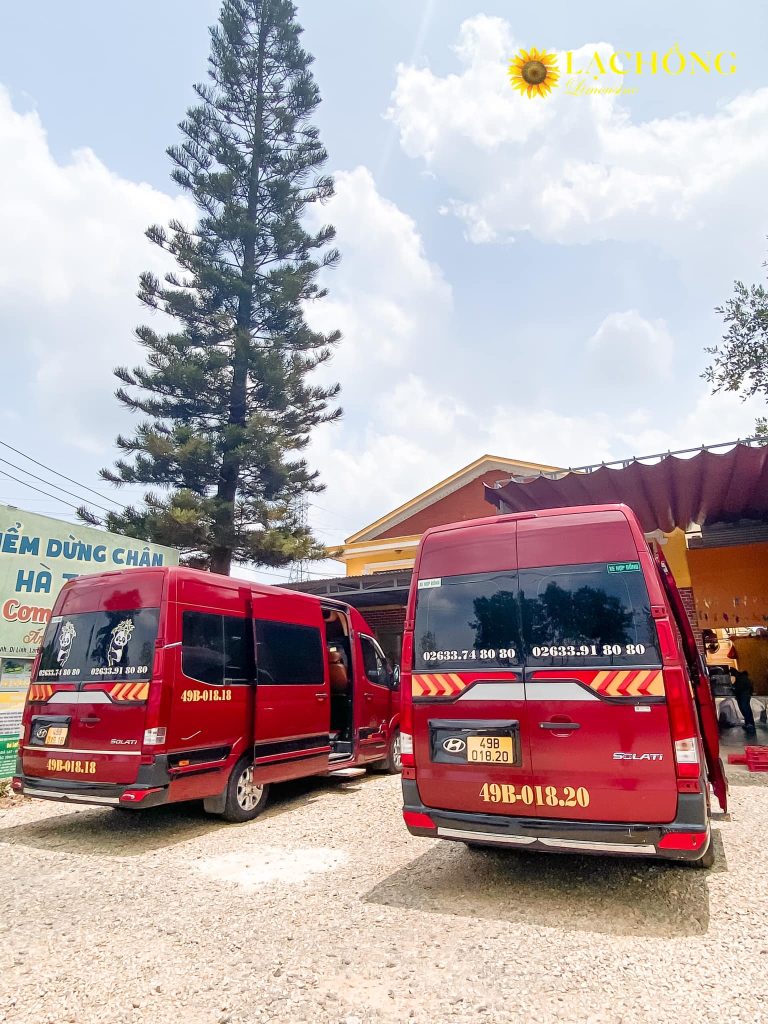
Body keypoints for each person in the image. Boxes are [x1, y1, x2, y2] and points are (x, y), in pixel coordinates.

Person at [730, 666, 756, 734]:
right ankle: (749, 724)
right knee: (746, 709)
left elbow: (739, 687)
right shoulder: (743, 677)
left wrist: (734, 689)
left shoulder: (740, 678)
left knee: (745, 709)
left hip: (743, 695)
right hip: (745, 695)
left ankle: (749, 724)